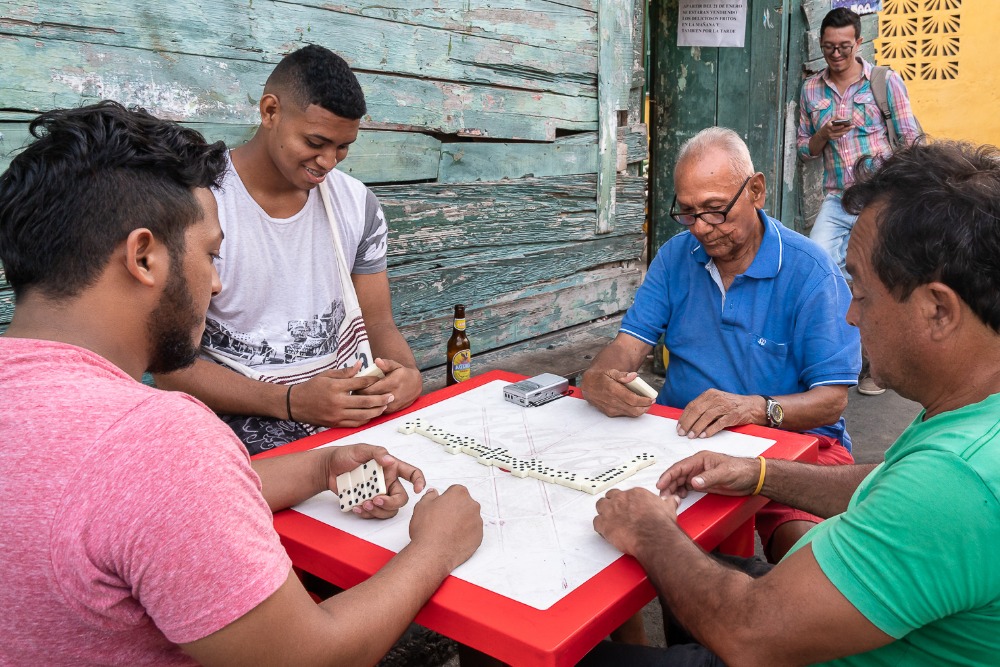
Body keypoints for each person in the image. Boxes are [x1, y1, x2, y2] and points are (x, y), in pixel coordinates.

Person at [0, 101, 483, 665]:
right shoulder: (157, 440)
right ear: (143, 257)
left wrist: (320, 468)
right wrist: (435, 549)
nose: (216, 284)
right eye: (210, 254)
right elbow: (313, 658)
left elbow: (131, 502)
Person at [584, 139, 1000, 666]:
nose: (850, 316)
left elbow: (749, 633)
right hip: (708, 451)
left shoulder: (951, 482)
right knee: (691, 564)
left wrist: (650, 530)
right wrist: (757, 473)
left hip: (769, 621)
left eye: (861, 293)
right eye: (689, 212)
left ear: (938, 310)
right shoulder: (968, 422)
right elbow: (889, 483)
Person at [581, 127, 860, 563]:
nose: (702, 229)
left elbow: (830, 401)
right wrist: (598, 378)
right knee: (616, 532)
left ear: (756, 191)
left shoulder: (811, 272)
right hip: (683, 439)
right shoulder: (675, 257)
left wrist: (753, 409)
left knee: (807, 558)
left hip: (796, 446)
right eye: (688, 213)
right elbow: (627, 347)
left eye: (715, 210)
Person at [154, 44, 422, 454]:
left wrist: (408, 375)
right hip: (236, 425)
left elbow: (379, 324)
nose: (329, 161)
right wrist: (292, 402)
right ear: (270, 112)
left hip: (342, 415)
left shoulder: (356, 204)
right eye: (316, 141)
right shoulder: (201, 205)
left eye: (343, 146)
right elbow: (172, 370)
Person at [797, 7, 920, 395]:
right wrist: (823, 134)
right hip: (838, 199)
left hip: (881, 197)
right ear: (820, 44)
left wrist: (903, 194)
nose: (836, 55)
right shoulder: (811, 89)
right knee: (817, 267)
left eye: (844, 47)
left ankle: (874, 367)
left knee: (879, 276)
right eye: (829, 47)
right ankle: (832, 358)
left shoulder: (884, 82)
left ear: (859, 42)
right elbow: (804, 151)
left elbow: (911, 140)